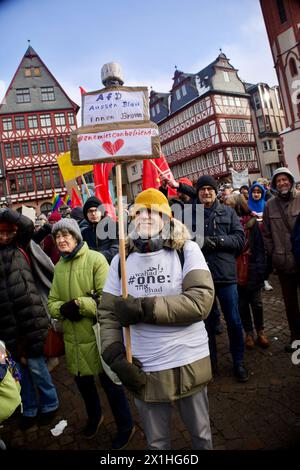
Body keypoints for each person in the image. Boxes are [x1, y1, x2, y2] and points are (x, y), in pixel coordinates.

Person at [100, 188, 215, 450]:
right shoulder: (121, 260)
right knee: (157, 443)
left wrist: (144, 309)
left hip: (188, 358)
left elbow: (200, 301)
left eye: (154, 212)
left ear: (168, 217)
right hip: (144, 365)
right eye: (140, 212)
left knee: (201, 435)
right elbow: (107, 313)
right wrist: (115, 356)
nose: (147, 217)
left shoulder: (187, 249)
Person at [48, 218, 135, 448]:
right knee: (83, 384)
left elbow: (108, 301)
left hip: (98, 334)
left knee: (110, 383)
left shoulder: (96, 259)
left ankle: (126, 425)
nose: (61, 240)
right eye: (57, 236)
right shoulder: (58, 266)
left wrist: (80, 304)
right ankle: (95, 417)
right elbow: (52, 303)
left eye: (66, 234)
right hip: (73, 338)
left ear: (76, 237)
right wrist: (64, 309)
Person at [0, 208, 59, 431]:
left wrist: (5, 212)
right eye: (1, 233)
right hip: (7, 323)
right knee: (19, 372)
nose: (5, 237)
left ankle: (50, 403)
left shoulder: (21, 244)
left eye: (8, 233)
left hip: (31, 317)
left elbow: (25, 224)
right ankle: (30, 408)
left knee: (37, 367)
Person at [225, 194, 270, 349]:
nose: (226, 208)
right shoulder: (226, 224)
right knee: (242, 304)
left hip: (252, 267)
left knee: (256, 303)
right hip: (234, 269)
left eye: (229, 205)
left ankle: (261, 331)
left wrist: (261, 269)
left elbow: (259, 248)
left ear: (238, 206)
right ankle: (249, 333)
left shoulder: (251, 222)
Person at [263, 167, 300, 353]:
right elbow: (267, 233)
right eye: (278, 181)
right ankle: (296, 339)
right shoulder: (270, 205)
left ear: (291, 181)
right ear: (274, 184)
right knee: (290, 305)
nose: (282, 183)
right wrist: (273, 252)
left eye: (285, 179)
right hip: (283, 262)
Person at [82, 196, 119, 264]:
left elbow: (116, 250)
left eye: (96, 210)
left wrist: (96, 257)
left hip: (112, 267)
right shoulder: (84, 233)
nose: (93, 214)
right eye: (90, 211)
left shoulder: (113, 226)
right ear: (86, 214)